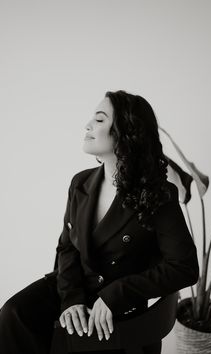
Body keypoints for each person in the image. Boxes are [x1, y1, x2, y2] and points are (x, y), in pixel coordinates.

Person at [0, 90, 199, 354]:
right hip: (74, 286)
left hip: (119, 302)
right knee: (13, 314)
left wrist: (117, 293)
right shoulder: (80, 182)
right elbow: (67, 248)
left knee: (75, 340)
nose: (88, 125)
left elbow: (184, 267)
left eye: (100, 119)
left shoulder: (158, 194)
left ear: (125, 132)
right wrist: (71, 300)